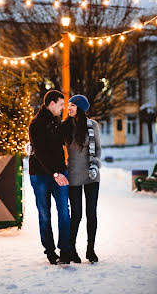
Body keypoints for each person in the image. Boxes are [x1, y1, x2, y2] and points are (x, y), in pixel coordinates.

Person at [29, 90, 70, 265]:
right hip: (40, 175)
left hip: (60, 173)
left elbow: (63, 145)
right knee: (45, 214)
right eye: (61, 104)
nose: (63, 108)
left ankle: (65, 250)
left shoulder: (57, 121)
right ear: (51, 104)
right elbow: (39, 153)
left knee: (64, 212)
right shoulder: (36, 123)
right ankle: (50, 251)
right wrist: (55, 173)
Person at [62, 95, 101, 264]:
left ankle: (90, 249)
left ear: (81, 108)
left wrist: (95, 166)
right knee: (76, 214)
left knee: (91, 214)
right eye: (68, 105)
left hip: (91, 175)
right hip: (73, 175)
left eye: (72, 105)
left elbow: (98, 149)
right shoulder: (64, 126)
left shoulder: (92, 125)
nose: (69, 108)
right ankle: (71, 249)